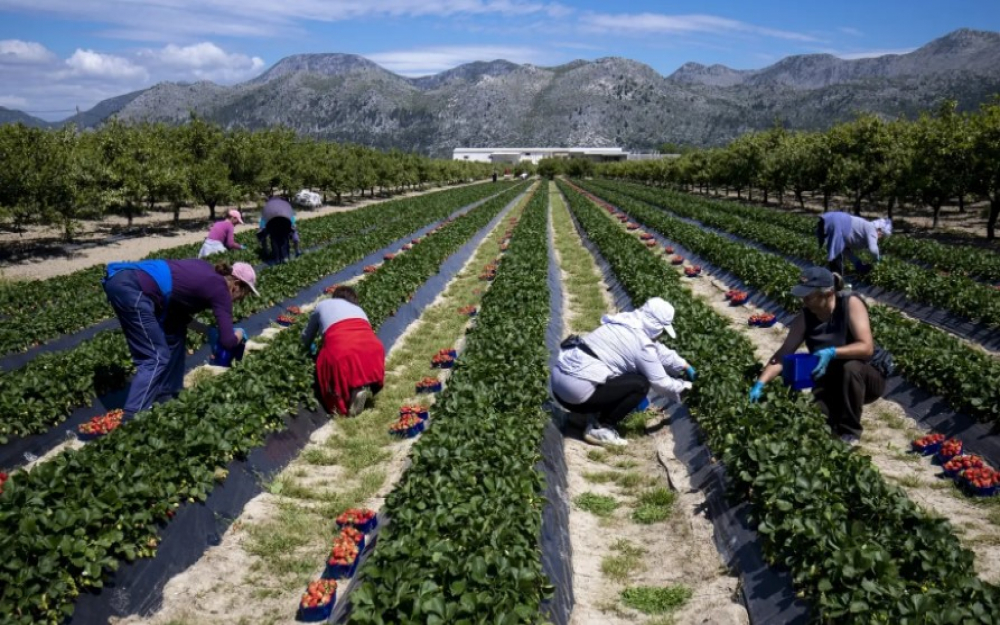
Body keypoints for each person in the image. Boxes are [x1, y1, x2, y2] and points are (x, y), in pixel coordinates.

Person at [748, 267, 892, 446]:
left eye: (809, 295)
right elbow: (784, 353)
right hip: (830, 380)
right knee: (815, 421)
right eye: (803, 295)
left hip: (865, 378)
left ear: (829, 293)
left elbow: (866, 348)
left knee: (850, 367)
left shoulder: (850, 303)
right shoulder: (805, 317)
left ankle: (850, 433)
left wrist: (833, 352)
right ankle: (834, 421)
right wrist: (761, 382)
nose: (804, 300)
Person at [102, 259, 258, 419]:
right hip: (132, 289)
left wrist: (208, 330)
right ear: (236, 284)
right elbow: (228, 342)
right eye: (244, 293)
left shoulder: (207, 272)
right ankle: (132, 419)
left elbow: (177, 314)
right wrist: (239, 333)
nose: (242, 299)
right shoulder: (221, 289)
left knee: (175, 333)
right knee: (155, 357)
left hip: (126, 281)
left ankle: (166, 395)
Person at [551, 298, 695, 448]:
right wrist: (688, 387)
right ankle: (601, 428)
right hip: (576, 393)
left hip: (558, 385)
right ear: (656, 326)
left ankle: (583, 415)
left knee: (616, 373)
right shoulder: (642, 345)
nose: (661, 334)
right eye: (662, 330)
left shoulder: (623, 323)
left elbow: (658, 350)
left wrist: (684, 365)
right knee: (640, 384)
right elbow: (661, 384)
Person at [302, 285, 385, 417]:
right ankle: (360, 388)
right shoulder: (359, 309)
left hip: (343, 348)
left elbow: (306, 337)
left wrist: (306, 349)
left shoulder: (322, 305)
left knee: (329, 359)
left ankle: (346, 401)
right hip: (374, 349)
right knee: (355, 356)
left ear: (335, 296)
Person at [815, 212, 892, 276]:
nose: (880, 237)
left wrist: (857, 262)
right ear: (879, 230)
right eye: (882, 235)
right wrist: (877, 260)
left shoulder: (862, 231)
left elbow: (843, 249)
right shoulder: (871, 228)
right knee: (835, 260)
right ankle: (836, 286)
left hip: (828, 220)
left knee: (835, 258)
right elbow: (873, 250)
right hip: (836, 222)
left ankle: (835, 283)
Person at [257, 196, 301, 263]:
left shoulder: (268, 206)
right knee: (284, 239)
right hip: (285, 221)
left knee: (274, 239)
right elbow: (292, 223)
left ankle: (276, 259)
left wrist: (262, 234)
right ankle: (285, 257)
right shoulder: (285, 205)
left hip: (271, 222)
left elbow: (262, 227)